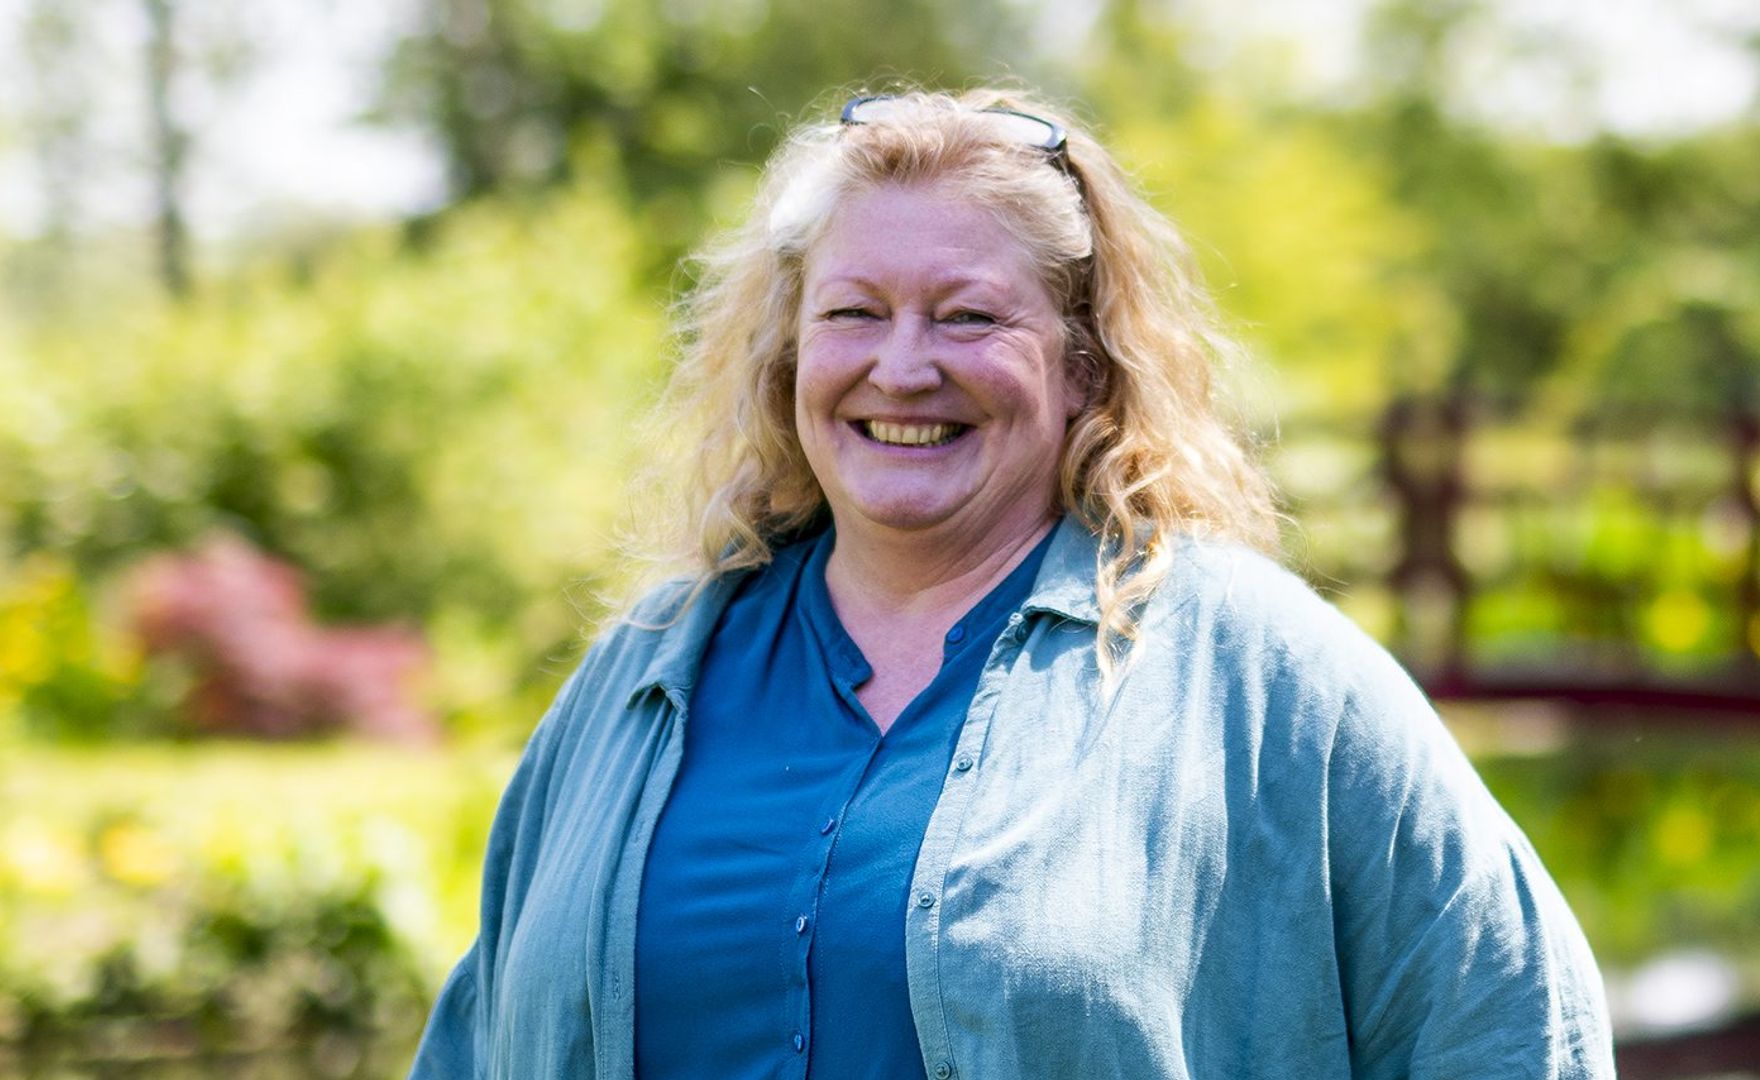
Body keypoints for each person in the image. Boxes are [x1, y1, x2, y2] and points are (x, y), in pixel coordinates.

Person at [408, 87, 1614, 1079]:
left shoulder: (1261, 678)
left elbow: (1510, 1031)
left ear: (1085, 365)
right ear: (788, 357)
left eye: (968, 317)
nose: (901, 367)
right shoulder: (647, 675)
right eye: (854, 313)